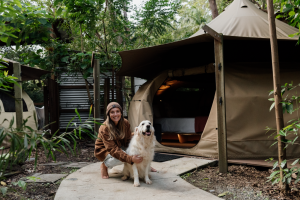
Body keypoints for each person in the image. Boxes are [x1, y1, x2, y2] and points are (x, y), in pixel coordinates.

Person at [94, 102, 156, 179]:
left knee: (134, 152)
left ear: (121, 113)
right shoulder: (104, 128)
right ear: (108, 114)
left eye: (117, 111)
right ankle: (104, 165)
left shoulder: (125, 123)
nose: (115, 114)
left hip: (117, 147)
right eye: (112, 112)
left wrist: (138, 135)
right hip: (104, 151)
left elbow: (128, 140)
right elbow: (112, 149)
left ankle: (146, 166)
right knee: (123, 158)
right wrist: (131, 159)